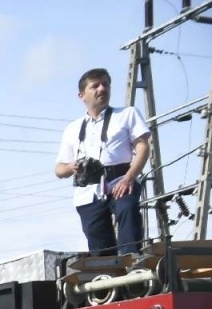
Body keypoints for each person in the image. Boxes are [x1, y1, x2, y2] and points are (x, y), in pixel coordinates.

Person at [55, 67, 150, 256]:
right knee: (98, 244)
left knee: (127, 209)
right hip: (88, 190)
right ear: (82, 95)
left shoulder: (127, 114)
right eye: (95, 86)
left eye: (105, 84)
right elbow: (58, 169)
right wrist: (72, 167)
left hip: (120, 179)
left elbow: (143, 147)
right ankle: (109, 278)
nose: (102, 89)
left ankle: (132, 260)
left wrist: (130, 177)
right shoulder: (72, 129)